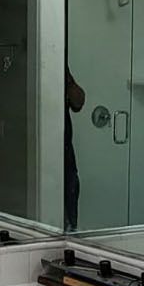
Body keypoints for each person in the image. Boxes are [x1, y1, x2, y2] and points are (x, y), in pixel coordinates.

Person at [65, 68, 85, 229]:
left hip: (66, 156)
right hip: (45, 157)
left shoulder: (64, 73)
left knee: (70, 224)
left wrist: (68, 79)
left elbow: (78, 102)